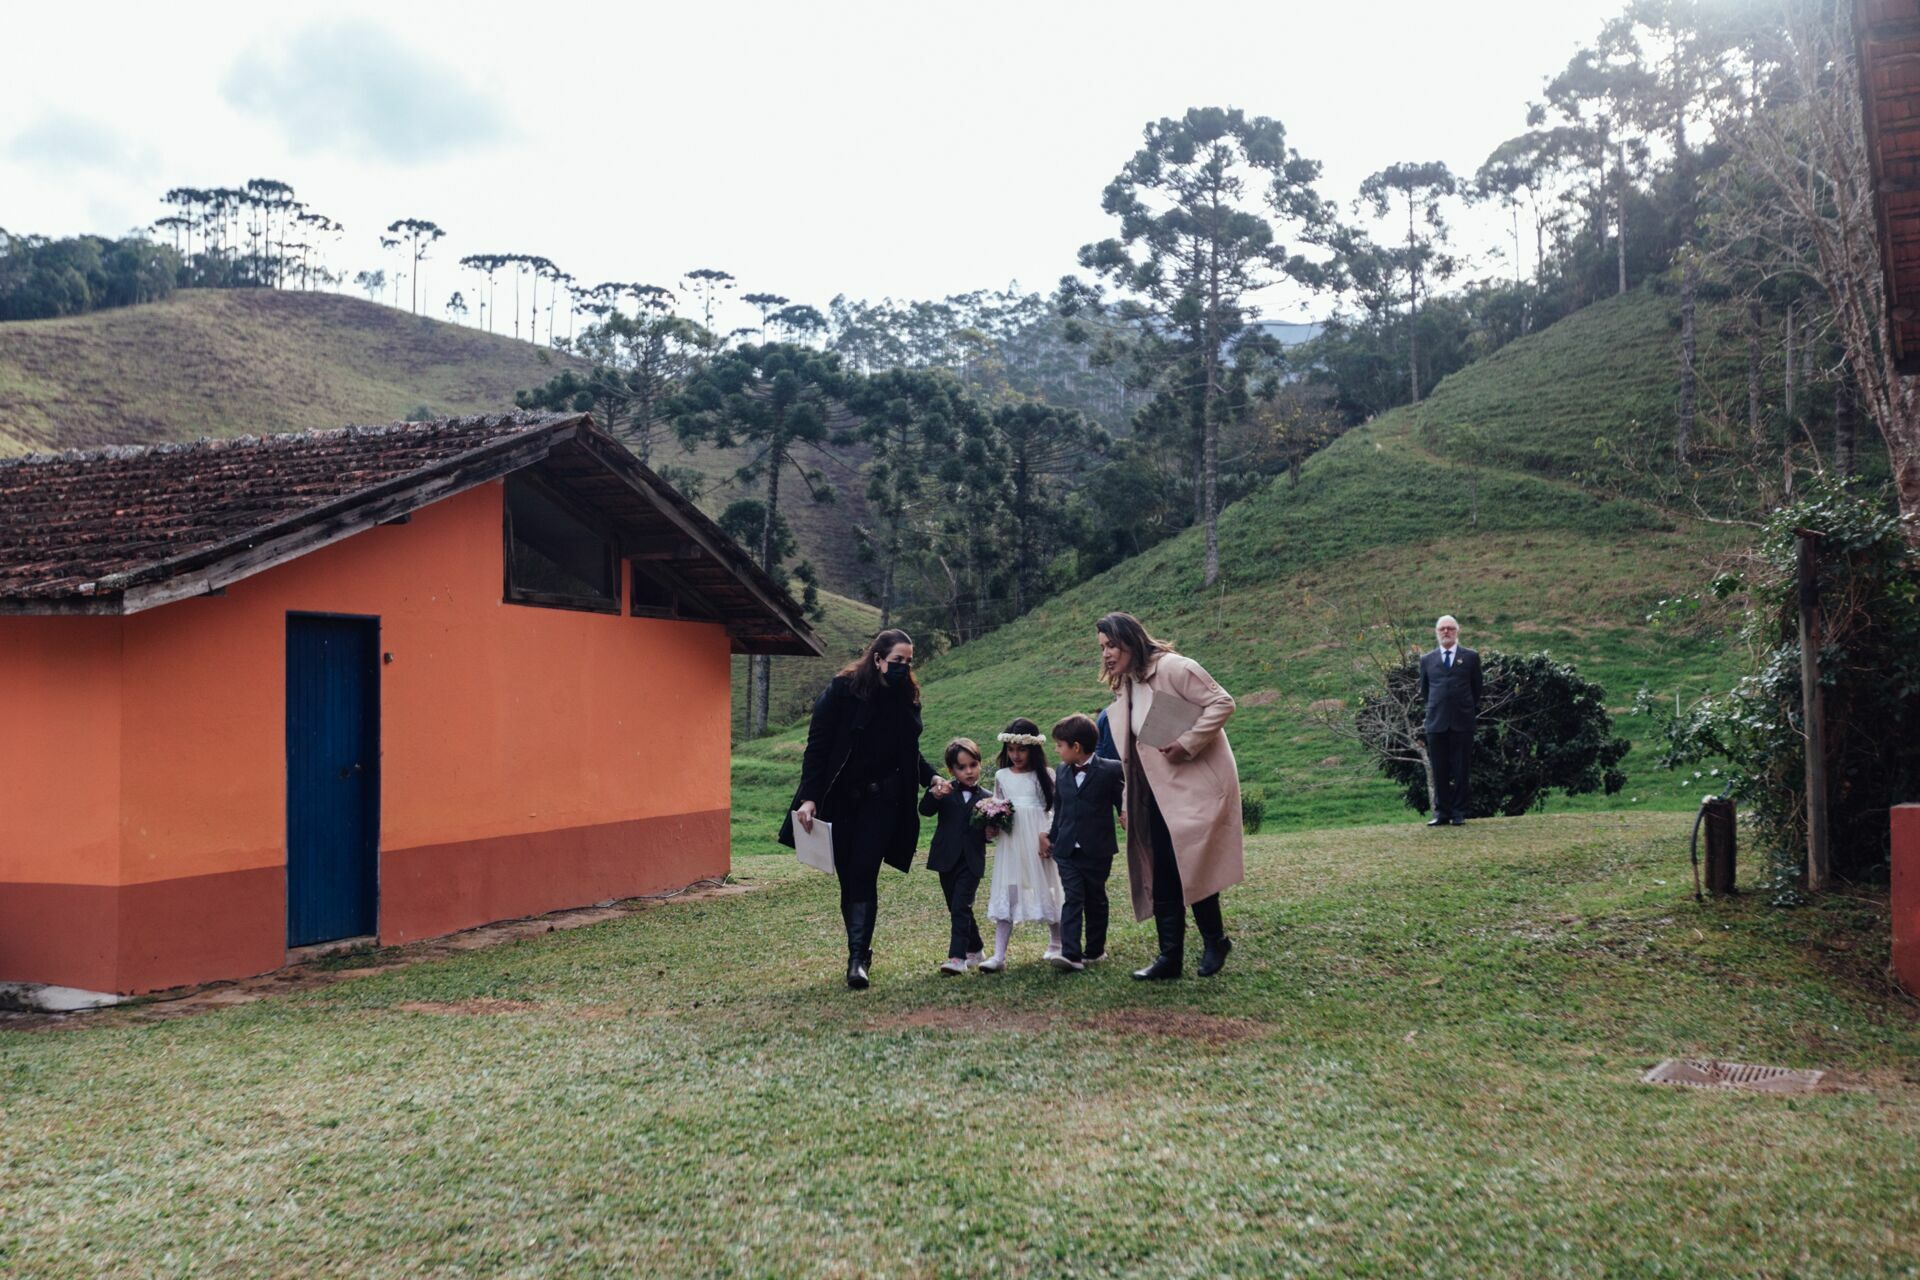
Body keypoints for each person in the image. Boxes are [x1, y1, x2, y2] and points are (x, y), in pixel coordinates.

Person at [779, 628, 942, 989]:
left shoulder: (906, 699)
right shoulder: (842, 691)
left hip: (882, 800)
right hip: (839, 798)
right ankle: (857, 949)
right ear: (878, 659)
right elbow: (817, 749)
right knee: (849, 876)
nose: (903, 667)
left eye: (908, 662)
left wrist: (929, 779)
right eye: (897, 660)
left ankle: (858, 958)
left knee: (865, 870)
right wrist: (810, 797)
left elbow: (909, 754)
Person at [1098, 611, 1243, 980]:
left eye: (1112, 645)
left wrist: (1188, 742)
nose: (1106, 654)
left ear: (1130, 640)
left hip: (1193, 789)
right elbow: (1134, 752)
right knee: (1162, 870)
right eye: (1102, 647)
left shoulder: (1175, 668)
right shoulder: (1126, 685)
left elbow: (1222, 702)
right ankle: (1170, 957)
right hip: (1154, 796)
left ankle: (1215, 940)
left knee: (1191, 864)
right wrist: (1129, 799)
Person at [977, 718, 1065, 972]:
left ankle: (1057, 942)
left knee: (1046, 887)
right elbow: (999, 805)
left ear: (1033, 750)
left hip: (1038, 837)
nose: (1015, 755)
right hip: (1012, 842)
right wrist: (991, 823)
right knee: (1009, 889)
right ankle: (999, 955)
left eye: (1022, 749)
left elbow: (1057, 807)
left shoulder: (1045, 775)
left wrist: (1048, 834)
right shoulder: (1002, 776)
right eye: (1011, 749)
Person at [1045, 713, 1125, 973]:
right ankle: (1070, 954)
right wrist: (1051, 838)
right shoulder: (1061, 771)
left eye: (1060, 745)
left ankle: (1095, 949)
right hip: (1066, 850)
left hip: (1098, 849)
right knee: (1073, 897)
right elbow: (1059, 809)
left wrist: (1125, 812)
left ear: (1076, 747)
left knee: (1096, 899)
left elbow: (1121, 799)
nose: (1057, 750)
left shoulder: (1111, 769)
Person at [919, 737, 989, 975]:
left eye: (973, 765)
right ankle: (976, 948)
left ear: (979, 764)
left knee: (960, 905)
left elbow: (992, 830)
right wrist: (935, 794)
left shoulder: (988, 798)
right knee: (957, 907)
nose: (969, 771)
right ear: (951, 770)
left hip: (972, 861)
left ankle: (957, 958)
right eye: (962, 767)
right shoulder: (945, 791)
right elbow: (925, 811)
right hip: (945, 859)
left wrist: (991, 832)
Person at [1418, 614, 1482, 827]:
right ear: (1436, 633)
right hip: (1436, 723)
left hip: (1462, 722)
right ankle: (1442, 812)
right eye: (1442, 629)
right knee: (1439, 769)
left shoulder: (1471, 657)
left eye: (1450, 628)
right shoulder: (1427, 660)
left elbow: (1477, 689)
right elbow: (1426, 691)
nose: (1446, 632)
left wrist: (1464, 709)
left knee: (1461, 768)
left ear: (1457, 631)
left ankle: (1458, 812)